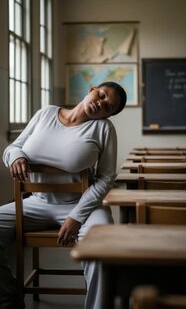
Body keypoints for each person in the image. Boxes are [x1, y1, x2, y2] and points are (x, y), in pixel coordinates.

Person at [1, 81, 127, 309]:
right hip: (36, 203)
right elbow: (12, 147)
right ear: (91, 89)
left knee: (102, 250)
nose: (101, 104)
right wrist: (17, 156)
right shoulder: (46, 113)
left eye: (108, 107)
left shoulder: (103, 129)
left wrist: (76, 216)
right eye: (101, 95)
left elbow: (106, 178)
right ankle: (9, 297)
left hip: (83, 206)